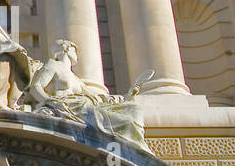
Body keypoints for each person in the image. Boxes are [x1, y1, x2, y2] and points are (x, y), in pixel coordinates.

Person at [24, 39, 152, 151]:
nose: (76, 53)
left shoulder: (75, 78)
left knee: (134, 111)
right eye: (74, 50)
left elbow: (98, 97)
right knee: (125, 123)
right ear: (66, 49)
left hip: (85, 107)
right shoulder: (53, 65)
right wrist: (49, 101)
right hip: (69, 107)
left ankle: (136, 151)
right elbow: (36, 87)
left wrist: (126, 96)